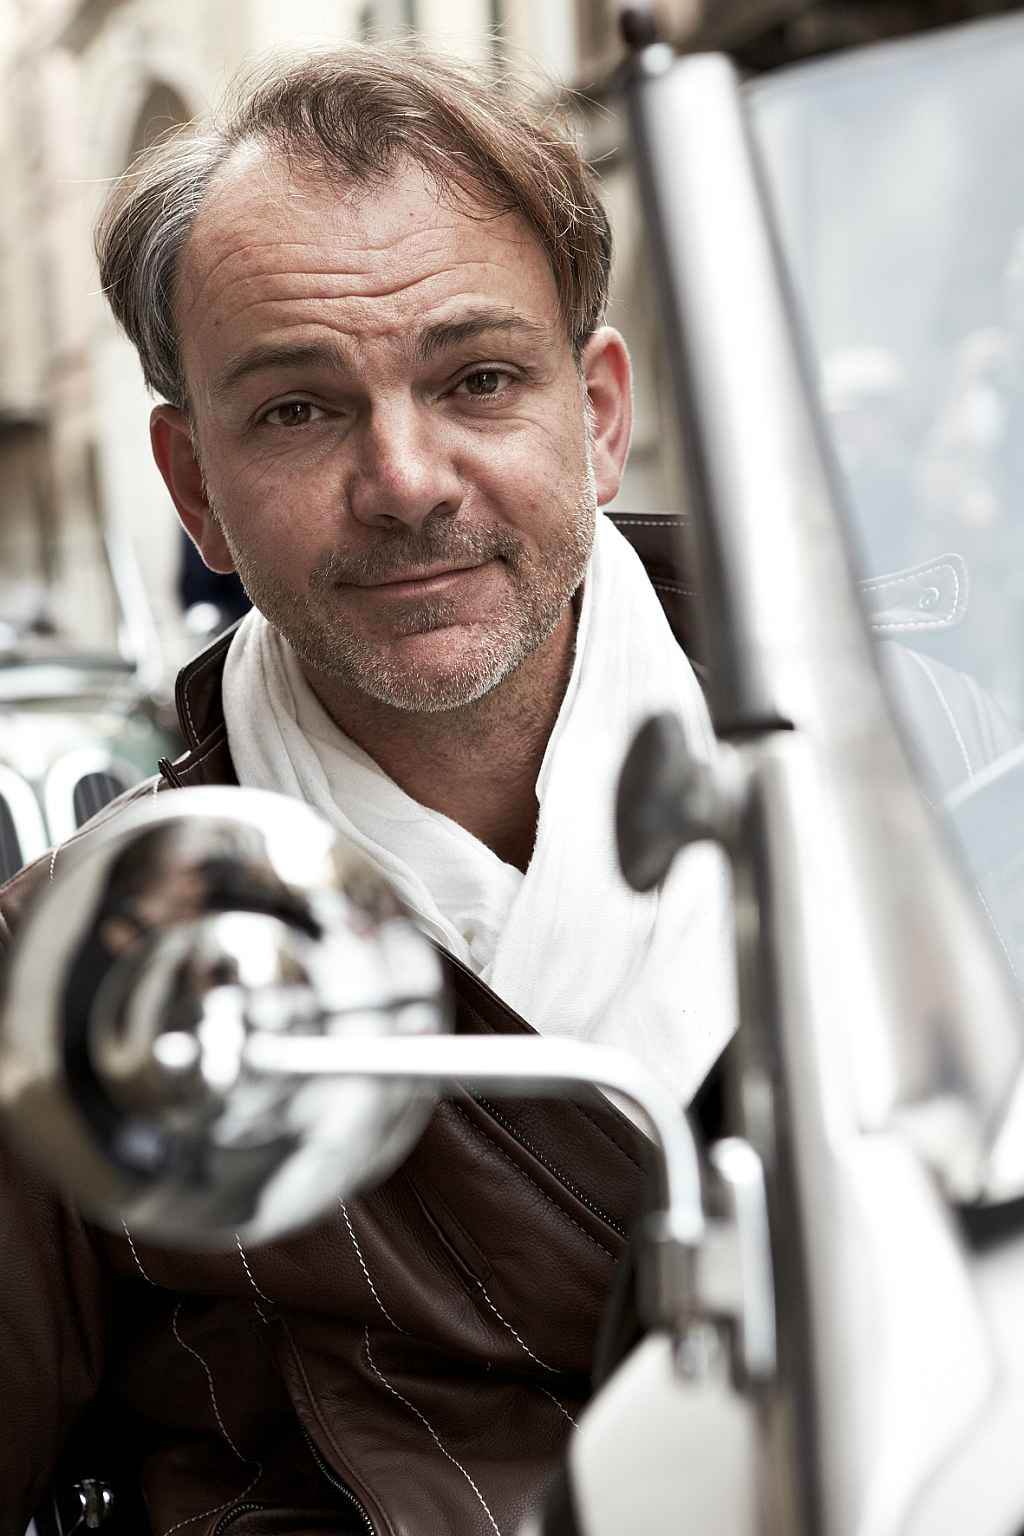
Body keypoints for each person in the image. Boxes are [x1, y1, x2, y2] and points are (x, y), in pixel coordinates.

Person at [0, 45, 735, 1535]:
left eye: (478, 380)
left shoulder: (924, 778)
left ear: (598, 414)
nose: (405, 478)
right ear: (194, 487)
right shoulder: (80, 967)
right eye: (298, 410)